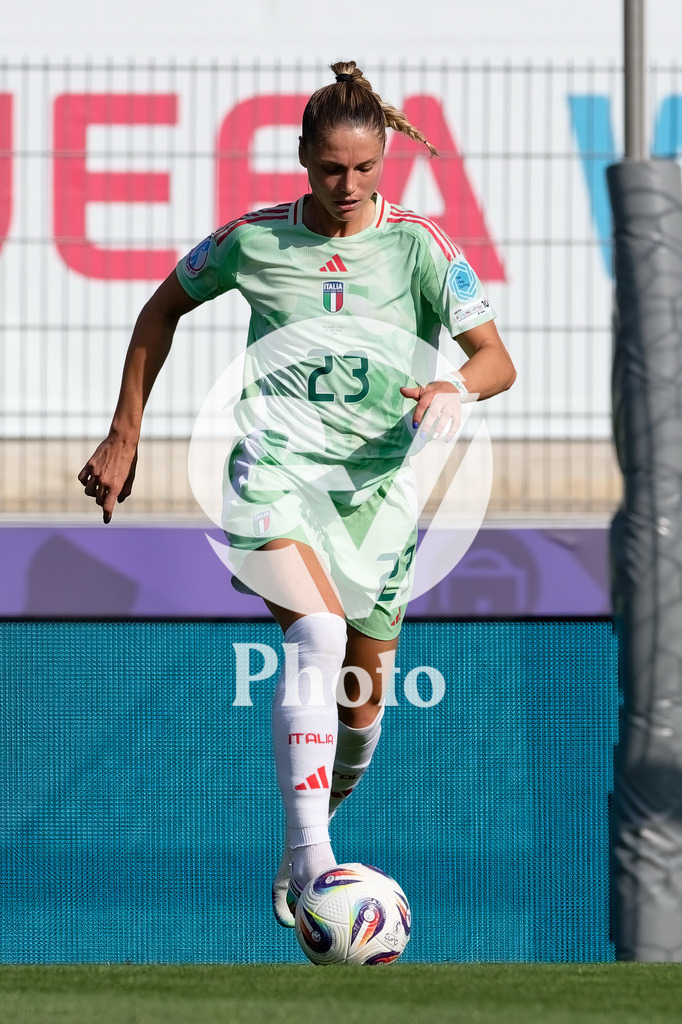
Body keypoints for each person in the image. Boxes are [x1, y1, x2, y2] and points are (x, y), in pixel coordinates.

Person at [79, 60, 516, 929]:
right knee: (315, 634)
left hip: (378, 498)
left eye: (363, 169)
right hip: (274, 473)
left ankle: (306, 838)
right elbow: (159, 311)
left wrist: (452, 388)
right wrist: (125, 433)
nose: (346, 186)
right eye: (329, 169)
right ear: (303, 159)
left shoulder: (421, 247)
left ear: (384, 160)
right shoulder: (253, 241)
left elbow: (496, 360)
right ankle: (316, 859)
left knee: (362, 714)